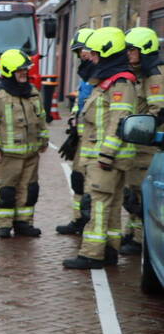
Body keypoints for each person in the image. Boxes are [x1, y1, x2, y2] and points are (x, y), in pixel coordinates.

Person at [63, 27, 138, 269]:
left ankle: (92, 254)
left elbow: (119, 119)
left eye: (95, 54)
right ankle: (109, 250)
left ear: (107, 53)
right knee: (111, 205)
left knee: (97, 204)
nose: (91, 59)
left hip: (106, 159)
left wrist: (106, 154)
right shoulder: (108, 82)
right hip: (106, 158)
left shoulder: (120, 83)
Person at [0, 48, 49, 238]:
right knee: (6, 192)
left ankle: (24, 224)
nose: (24, 73)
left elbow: (41, 117)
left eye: (26, 70)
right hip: (7, 155)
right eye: (20, 70)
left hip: (31, 153)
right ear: (9, 71)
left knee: (29, 190)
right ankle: (3, 226)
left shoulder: (32, 92)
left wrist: (44, 139)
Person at [119, 27, 164, 256]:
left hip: (147, 146)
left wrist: (140, 129)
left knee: (139, 193)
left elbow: (158, 112)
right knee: (133, 192)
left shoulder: (154, 76)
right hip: (139, 144)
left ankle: (139, 240)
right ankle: (133, 232)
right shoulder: (142, 73)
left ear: (144, 50)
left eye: (132, 50)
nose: (128, 54)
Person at [56, 28, 96, 235]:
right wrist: (73, 123)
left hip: (94, 140)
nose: (81, 54)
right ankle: (79, 220)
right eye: (79, 51)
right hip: (81, 138)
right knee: (78, 179)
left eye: (84, 50)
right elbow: (80, 103)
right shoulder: (86, 74)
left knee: (92, 185)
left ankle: (89, 224)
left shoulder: (99, 74)